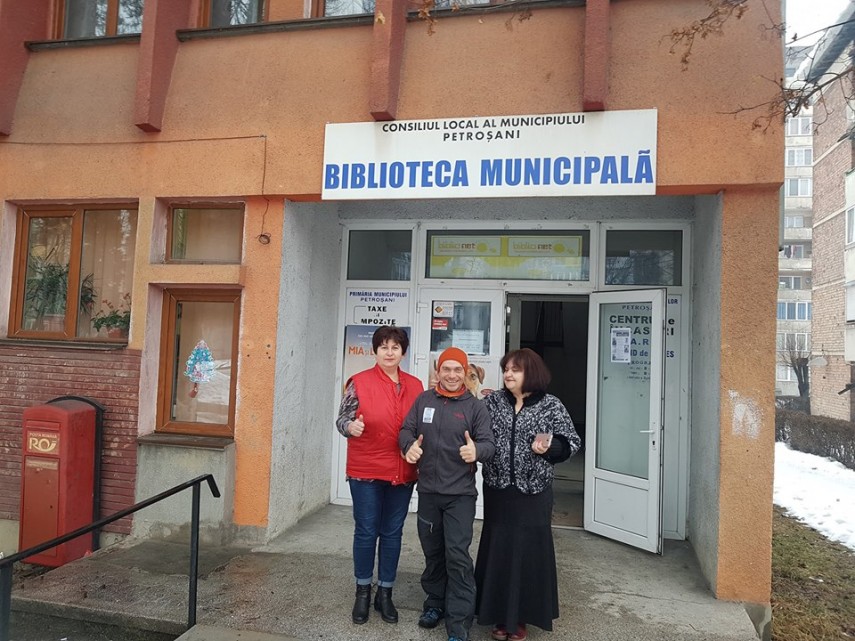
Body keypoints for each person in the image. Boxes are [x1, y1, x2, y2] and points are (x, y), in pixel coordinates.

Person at [475, 348, 581, 641]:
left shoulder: (550, 405)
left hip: (533, 492)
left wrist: (551, 448)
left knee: (528, 555)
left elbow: (571, 442)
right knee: (499, 552)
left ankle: (520, 619)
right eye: (506, 369)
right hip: (498, 490)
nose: (508, 374)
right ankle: (498, 615)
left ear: (531, 373)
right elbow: (471, 427)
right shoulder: (493, 402)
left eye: (515, 369)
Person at [399, 347, 496, 641]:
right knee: (433, 553)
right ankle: (435, 603)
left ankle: (459, 622)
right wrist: (408, 447)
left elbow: (489, 444)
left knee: (457, 556)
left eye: (458, 370)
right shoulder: (424, 400)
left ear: (465, 373)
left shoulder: (475, 407)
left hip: (460, 496)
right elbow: (406, 430)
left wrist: (476, 451)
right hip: (429, 492)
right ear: (438, 371)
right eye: (446, 369)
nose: (452, 375)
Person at [336, 326, 424, 625]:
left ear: (403, 352)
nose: (389, 352)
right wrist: (350, 427)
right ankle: (362, 591)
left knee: (392, 532)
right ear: (374, 351)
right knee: (366, 531)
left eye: (395, 347)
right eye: (384, 347)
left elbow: (421, 427)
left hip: (402, 470)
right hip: (366, 470)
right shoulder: (359, 382)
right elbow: (342, 419)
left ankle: (385, 592)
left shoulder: (415, 385)